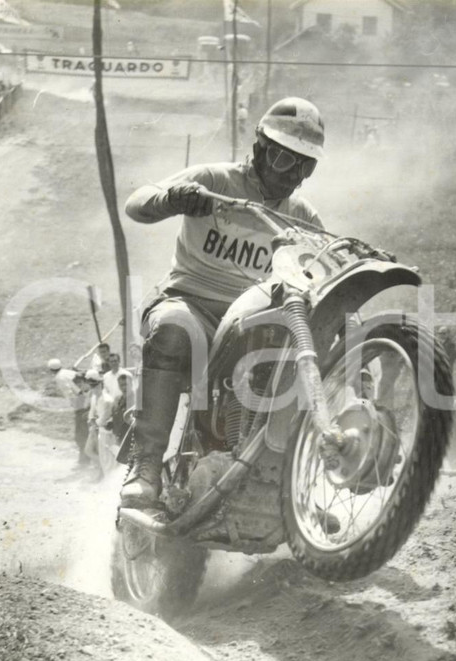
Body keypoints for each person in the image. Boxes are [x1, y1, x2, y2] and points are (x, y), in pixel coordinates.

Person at [119, 97, 326, 508]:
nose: (292, 177)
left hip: (251, 322)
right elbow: (137, 202)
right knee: (175, 330)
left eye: (305, 166)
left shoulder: (301, 216)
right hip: (191, 301)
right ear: (261, 148)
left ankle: (299, 489)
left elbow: (322, 268)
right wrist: (174, 199)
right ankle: (145, 467)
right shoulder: (214, 179)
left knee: (297, 362)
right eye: (285, 160)